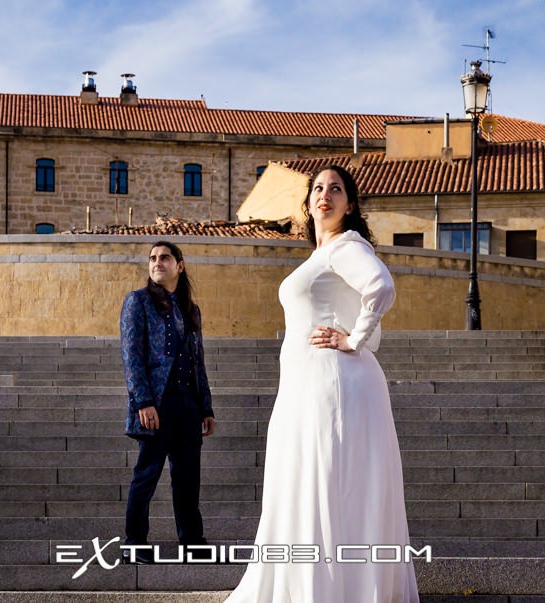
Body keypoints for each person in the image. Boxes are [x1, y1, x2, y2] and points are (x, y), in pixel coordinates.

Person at [225, 164, 420, 603]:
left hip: (333, 384)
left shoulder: (344, 248)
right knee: (315, 482)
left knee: (329, 483)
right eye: (317, 188)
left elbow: (381, 286)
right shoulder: (323, 254)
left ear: (350, 205)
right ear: (308, 200)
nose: (324, 195)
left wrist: (353, 337)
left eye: (336, 189)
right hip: (310, 385)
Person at [120, 240, 215, 560]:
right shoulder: (138, 302)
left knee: (188, 478)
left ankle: (192, 541)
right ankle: (134, 542)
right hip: (156, 405)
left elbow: (198, 360)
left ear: (180, 265)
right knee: (146, 474)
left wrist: (206, 406)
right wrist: (142, 401)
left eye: (164, 257)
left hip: (188, 405)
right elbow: (131, 356)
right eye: (152, 258)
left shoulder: (192, 309)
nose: (157, 262)